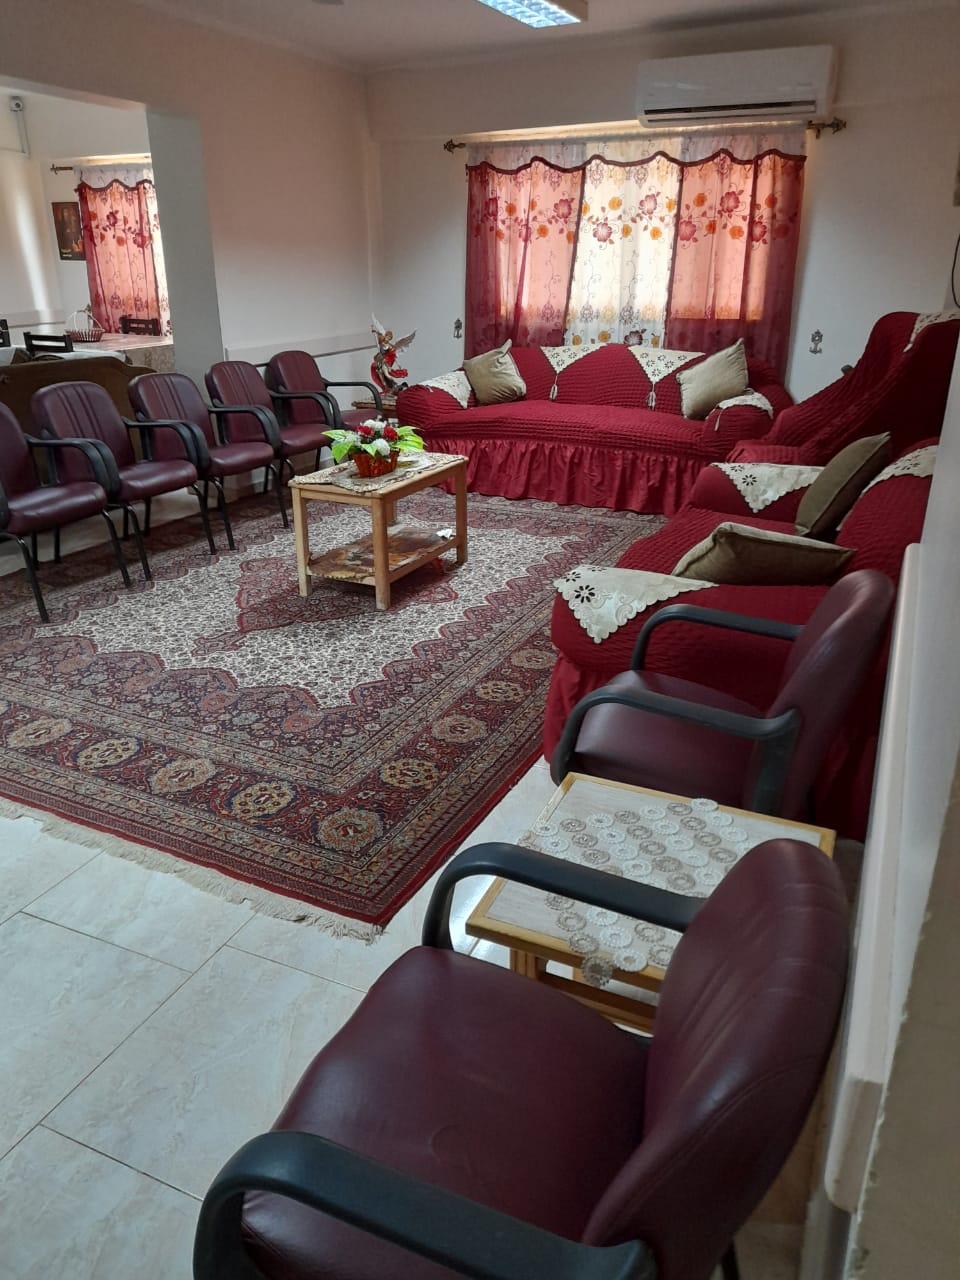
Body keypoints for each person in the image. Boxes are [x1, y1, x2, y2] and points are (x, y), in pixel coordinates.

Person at [370, 315, 416, 394]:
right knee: (379, 373)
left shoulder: (389, 346)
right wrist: (374, 331)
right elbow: (379, 336)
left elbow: (393, 355)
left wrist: (398, 364)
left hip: (386, 362)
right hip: (380, 360)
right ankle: (386, 386)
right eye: (386, 337)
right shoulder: (382, 343)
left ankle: (393, 384)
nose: (387, 338)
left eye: (389, 337)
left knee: (386, 374)